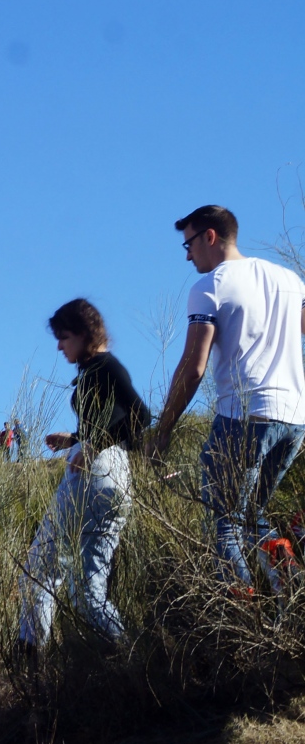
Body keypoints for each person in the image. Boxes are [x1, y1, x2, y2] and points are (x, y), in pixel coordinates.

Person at [147, 205, 305, 586]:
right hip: (295, 419)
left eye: (188, 244)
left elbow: (193, 366)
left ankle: (239, 612)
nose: (187, 254)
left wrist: (163, 428)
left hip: (244, 416)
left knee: (223, 522)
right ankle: (292, 588)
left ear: (210, 237)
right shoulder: (290, 280)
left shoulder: (210, 286)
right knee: (251, 516)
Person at [19, 298, 149, 649]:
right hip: (114, 475)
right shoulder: (98, 369)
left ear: (83, 334)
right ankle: (129, 663)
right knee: (87, 591)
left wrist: (92, 446)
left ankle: (29, 663)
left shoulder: (104, 366)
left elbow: (140, 416)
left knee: (39, 571)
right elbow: (119, 420)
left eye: (64, 337)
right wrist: (75, 439)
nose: (60, 346)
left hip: (94, 475)